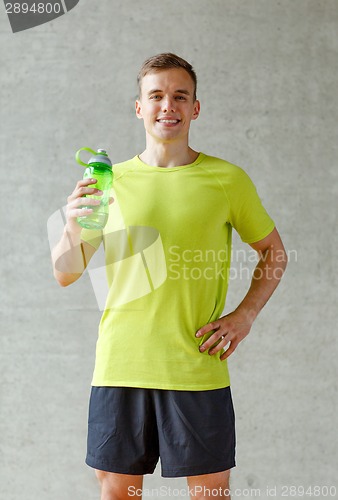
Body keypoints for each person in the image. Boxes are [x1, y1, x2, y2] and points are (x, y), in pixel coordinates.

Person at [51, 53, 287, 499]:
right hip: (121, 365)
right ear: (139, 107)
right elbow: (66, 274)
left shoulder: (226, 180)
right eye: (156, 95)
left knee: (210, 495)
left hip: (195, 365)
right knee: (121, 494)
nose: (168, 105)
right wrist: (71, 222)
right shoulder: (108, 181)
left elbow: (273, 252)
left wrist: (244, 316)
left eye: (180, 96)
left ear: (195, 108)